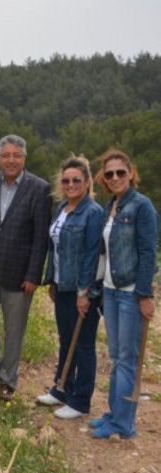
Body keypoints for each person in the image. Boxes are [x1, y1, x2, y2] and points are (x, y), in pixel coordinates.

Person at [0, 134, 51, 400]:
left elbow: (41, 238)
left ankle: (8, 378)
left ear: (24, 158)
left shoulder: (39, 188)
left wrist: (33, 275)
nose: (11, 160)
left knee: (14, 329)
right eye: (6, 155)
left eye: (16, 155)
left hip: (19, 273)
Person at [90, 149, 158, 439]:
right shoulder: (110, 206)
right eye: (109, 173)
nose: (115, 177)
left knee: (127, 359)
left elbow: (147, 252)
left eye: (120, 172)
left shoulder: (142, 207)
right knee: (116, 355)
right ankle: (114, 413)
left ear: (131, 173)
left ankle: (124, 424)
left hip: (130, 293)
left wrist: (145, 294)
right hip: (111, 291)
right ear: (104, 179)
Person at [35, 156, 104, 419]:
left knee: (84, 343)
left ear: (87, 182)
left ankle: (80, 401)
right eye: (66, 180)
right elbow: (55, 248)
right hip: (62, 286)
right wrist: (51, 281)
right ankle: (61, 388)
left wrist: (84, 292)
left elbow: (90, 254)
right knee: (66, 340)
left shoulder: (93, 213)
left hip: (81, 289)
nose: (71, 184)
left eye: (77, 180)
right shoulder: (62, 207)